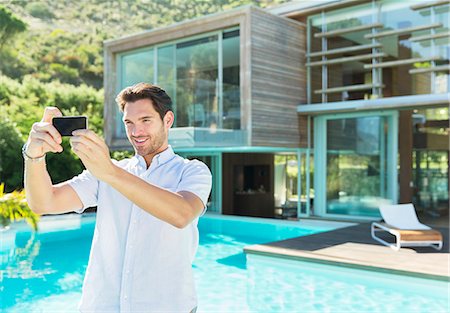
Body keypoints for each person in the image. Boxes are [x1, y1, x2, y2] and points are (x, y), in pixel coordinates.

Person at [23, 82, 212, 313]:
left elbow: (182, 214)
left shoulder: (192, 171)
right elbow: (44, 203)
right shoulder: (107, 170)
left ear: (168, 120)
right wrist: (33, 155)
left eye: (145, 120)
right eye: (128, 123)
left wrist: (109, 173)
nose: (136, 132)